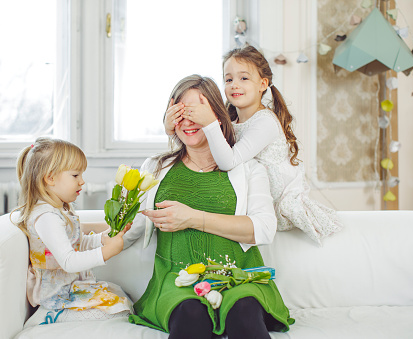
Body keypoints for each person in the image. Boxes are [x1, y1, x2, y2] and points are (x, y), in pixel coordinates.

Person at [125, 75, 294, 339]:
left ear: (216, 116)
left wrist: (192, 218)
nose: (188, 121)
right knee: (191, 314)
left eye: (196, 112)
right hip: (177, 281)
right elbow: (129, 229)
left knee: (244, 311)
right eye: (180, 112)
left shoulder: (248, 169)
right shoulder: (156, 169)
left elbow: (262, 229)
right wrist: (75, 237)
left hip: (239, 279)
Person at [164, 44, 342, 245]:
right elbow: (202, 148)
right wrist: (171, 129)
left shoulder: (265, 121)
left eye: (244, 78)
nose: (234, 84)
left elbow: (228, 161)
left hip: (277, 203)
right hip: (251, 199)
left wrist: (211, 123)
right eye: (228, 79)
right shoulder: (232, 123)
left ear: (263, 84)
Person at [12, 137, 132, 325]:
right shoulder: (46, 217)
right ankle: (51, 318)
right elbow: (69, 261)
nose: (82, 182)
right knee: (118, 313)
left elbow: (78, 243)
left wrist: (104, 238)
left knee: (121, 297)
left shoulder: (59, 211)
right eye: (75, 175)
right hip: (55, 296)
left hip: (67, 287)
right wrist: (107, 252)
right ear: (50, 178)